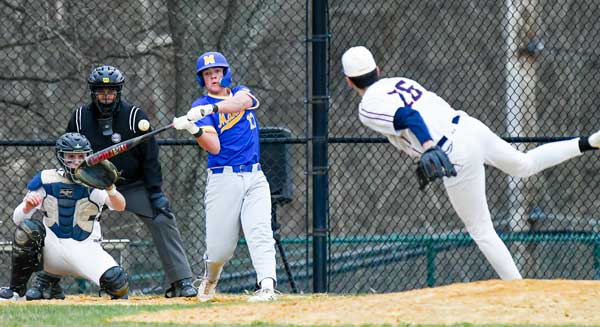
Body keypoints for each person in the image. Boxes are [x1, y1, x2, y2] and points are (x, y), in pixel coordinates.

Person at [341, 46, 600, 280]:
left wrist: (428, 146)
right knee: (525, 163)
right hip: (468, 126)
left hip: (451, 150)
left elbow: (409, 115)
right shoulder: (399, 81)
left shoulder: (368, 106)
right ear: (377, 69)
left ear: (349, 82)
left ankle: (520, 291)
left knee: (481, 230)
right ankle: (589, 142)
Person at [57, 65, 196, 298]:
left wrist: (156, 193)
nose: (106, 96)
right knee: (62, 216)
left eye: (111, 91)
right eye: (101, 92)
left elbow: (151, 158)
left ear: (118, 92)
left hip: (133, 185)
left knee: (162, 217)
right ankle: (49, 281)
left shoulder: (134, 117)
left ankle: (181, 281)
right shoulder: (80, 118)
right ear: (93, 92)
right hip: (92, 186)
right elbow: (71, 154)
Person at [172, 51, 278, 302]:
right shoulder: (199, 107)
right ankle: (210, 279)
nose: (213, 77)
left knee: (260, 230)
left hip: (254, 176)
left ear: (225, 73)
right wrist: (193, 128)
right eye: (208, 74)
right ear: (202, 79)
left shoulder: (240, 91)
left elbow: (241, 103)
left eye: (216, 72)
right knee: (220, 250)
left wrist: (212, 107)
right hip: (223, 179)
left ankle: (267, 287)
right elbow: (214, 147)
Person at [0, 133, 129, 301]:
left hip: (86, 249)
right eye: (70, 157)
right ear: (61, 157)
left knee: (118, 284)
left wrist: (111, 188)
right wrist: (28, 206)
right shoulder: (47, 179)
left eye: (81, 156)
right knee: (28, 230)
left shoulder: (96, 181)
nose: (76, 161)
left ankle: (48, 283)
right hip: (53, 248)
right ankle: (17, 291)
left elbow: (120, 206)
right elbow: (18, 219)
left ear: (88, 156)